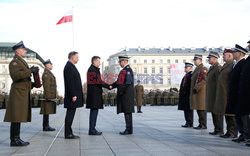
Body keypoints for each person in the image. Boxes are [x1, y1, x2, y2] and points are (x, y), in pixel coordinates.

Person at [4, 41, 39, 146]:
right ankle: (14, 140)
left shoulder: (21, 61)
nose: (25, 51)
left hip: (22, 91)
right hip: (18, 92)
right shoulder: (14, 62)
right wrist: (30, 71)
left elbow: (24, 79)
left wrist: (33, 84)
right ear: (17, 51)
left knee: (18, 116)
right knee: (16, 117)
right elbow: (15, 76)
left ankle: (17, 138)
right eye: (23, 49)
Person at [226, 44, 247, 143]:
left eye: (235, 52)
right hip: (235, 94)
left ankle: (246, 135)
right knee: (237, 115)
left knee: (243, 116)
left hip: (240, 94)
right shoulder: (236, 63)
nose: (233, 54)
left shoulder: (243, 63)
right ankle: (242, 134)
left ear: (240, 53)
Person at [109, 55, 135, 135]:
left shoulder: (128, 70)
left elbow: (128, 83)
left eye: (120, 62)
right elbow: (118, 81)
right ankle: (129, 129)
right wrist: (111, 86)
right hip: (124, 94)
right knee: (126, 112)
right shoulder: (124, 70)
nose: (119, 63)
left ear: (125, 61)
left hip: (126, 95)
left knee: (127, 112)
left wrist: (120, 89)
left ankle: (128, 129)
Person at [214, 49, 236, 138]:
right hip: (223, 93)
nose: (222, 57)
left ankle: (232, 132)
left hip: (227, 93)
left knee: (231, 114)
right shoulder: (226, 65)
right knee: (226, 113)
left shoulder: (232, 65)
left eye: (224, 55)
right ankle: (229, 131)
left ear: (230, 56)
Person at [86, 56, 109, 135]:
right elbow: (98, 81)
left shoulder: (94, 69)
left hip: (94, 94)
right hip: (94, 95)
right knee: (94, 112)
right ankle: (92, 130)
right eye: (98, 62)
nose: (99, 63)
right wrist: (109, 86)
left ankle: (92, 128)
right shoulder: (92, 70)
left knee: (94, 112)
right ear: (94, 62)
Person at [63, 51, 83, 139]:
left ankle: (69, 132)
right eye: (77, 57)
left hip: (73, 95)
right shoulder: (69, 67)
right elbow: (69, 82)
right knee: (70, 114)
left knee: (71, 114)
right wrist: (73, 94)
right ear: (72, 57)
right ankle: (68, 133)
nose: (78, 59)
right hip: (72, 96)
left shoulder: (71, 66)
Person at [205, 52, 222, 135]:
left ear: (215, 59)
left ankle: (219, 129)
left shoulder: (218, 68)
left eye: (210, 58)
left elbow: (219, 82)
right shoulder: (212, 67)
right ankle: (216, 129)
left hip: (215, 94)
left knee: (216, 113)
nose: (208, 59)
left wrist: (218, 94)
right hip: (211, 94)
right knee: (213, 112)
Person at [237, 41, 250, 146]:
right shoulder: (248, 60)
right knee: (243, 114)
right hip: (245, 92)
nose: (248, 46)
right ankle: (246, 135)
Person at [190, 54, 207, 130]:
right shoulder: (197, 68)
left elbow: (204, 80)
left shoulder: (203, 68)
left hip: (200, 92)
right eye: (194, 60)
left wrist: (196, 87)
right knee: (198, 109)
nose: (194, 61)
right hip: (196, 92)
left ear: (200, 60)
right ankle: (201, 123)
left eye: (195, 60)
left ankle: (203, 124)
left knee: (201, 109)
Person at [40, 59, 57, 131]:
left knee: (47, 111)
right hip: (48, 95)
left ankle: (46, 125)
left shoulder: (49, 73)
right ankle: (45, 126)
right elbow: (46, 86)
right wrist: (48, 96)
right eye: (51, 64)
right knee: (46, 111)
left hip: (50, 94)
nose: (52, 65)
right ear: (47, 65)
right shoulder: (46, 74)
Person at [178, 62, 193, 128]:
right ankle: (187, 122)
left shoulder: (190, 75)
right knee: (186, 109)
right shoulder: (186, 75)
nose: (185, 69)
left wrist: (185, 90)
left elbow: (189, 85)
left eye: (186, 67)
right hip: (185, 95)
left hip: (187, 95)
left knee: (188, 110)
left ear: (190, 68)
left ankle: (189, 122)